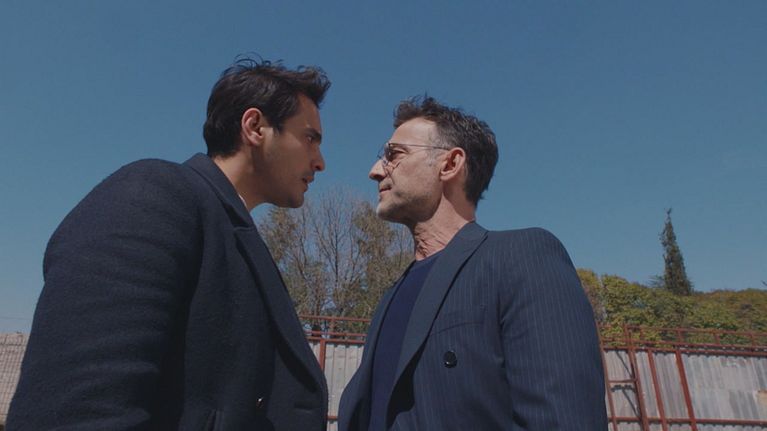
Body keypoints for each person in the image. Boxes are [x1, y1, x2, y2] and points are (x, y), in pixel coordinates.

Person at [8, 58, 331, 430]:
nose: (320, 162)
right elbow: (75, 411)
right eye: (310, 138)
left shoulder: (233, 235)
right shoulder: (155, 194)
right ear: (255, 127)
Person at [338, 96, 607, 430]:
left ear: (450, 164)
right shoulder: (390, 297)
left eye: (394, 155)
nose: (375, 170)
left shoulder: (521, 258)